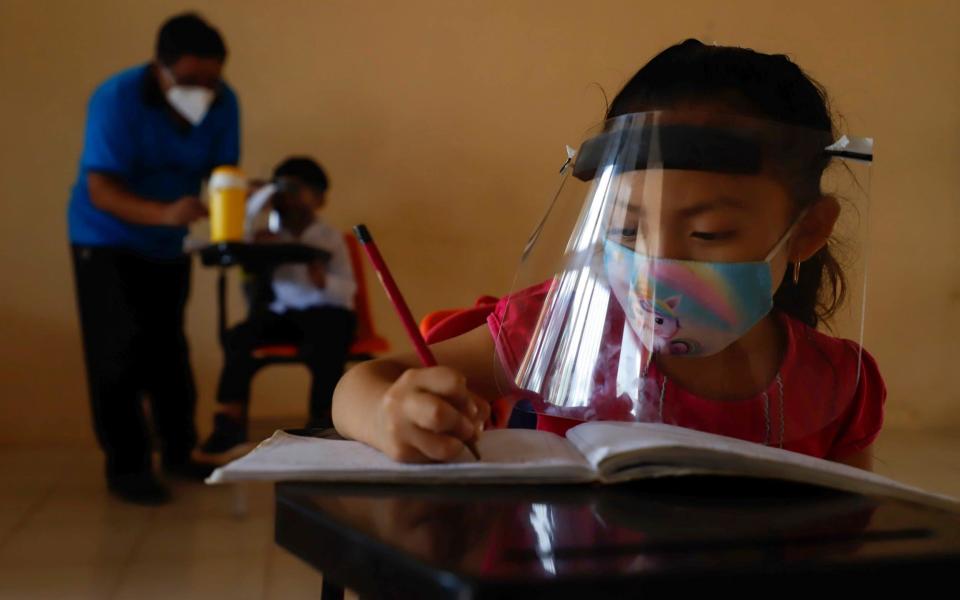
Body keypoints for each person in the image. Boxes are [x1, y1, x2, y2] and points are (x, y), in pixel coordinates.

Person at [331, 40, 885, 470]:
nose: (657, 263)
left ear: (808, 231)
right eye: (624, 227)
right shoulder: (555, 326)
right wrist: (389, 415)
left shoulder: (840, 383)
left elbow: (855, 537)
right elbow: (358, 385)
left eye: (709, 233)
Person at [68, 13, 240, 504]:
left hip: (169, 244)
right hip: (103, 240)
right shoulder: (116, 99)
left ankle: (181, 452)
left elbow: (224, 172)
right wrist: (164, 212)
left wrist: (236, 214)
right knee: (117, 351)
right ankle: (128, 466)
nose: (203, 91)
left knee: (168, 350)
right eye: (189, 81)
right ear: (159, 68)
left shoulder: (224, 103)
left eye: (212, 80)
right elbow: (100, 187)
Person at [195, 157, 357, 463]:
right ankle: (229, 423)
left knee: (328, 339)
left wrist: (322, 282)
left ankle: (323, 420)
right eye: (280, 189)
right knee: (240, 338)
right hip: (283, 316)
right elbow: (237, 248)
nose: (287, 197)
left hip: (325, 311)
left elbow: (348, 291)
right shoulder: (266, 234)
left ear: (318, 198)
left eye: (296, 189)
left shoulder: (330, 239)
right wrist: (255, 210)